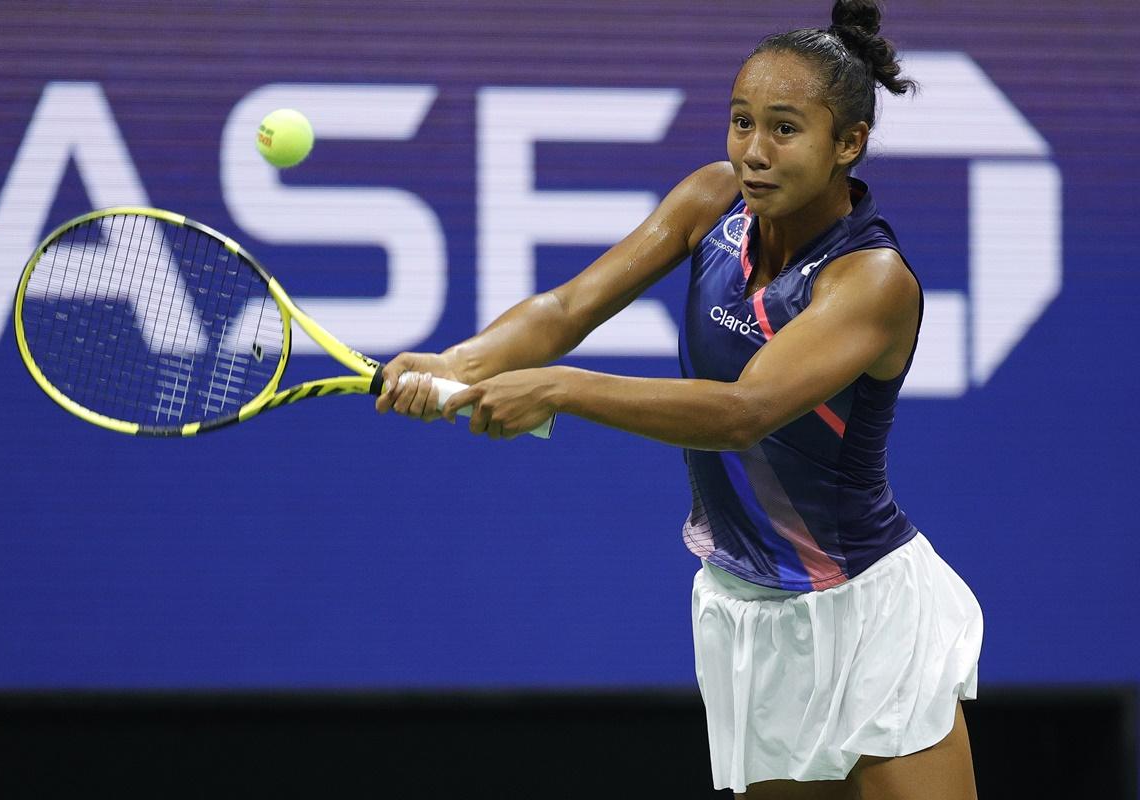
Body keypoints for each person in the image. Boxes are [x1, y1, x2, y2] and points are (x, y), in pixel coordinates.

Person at [375, 0, 983, 796]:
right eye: (741, 123)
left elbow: (745, 413)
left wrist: (558, 389)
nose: (754, 153)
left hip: (868, 611)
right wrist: (459, 362)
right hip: (748, 610)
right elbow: (566, 310)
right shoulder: (710, 202)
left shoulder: (870, 280)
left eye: (785, 129)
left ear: (849, 144)